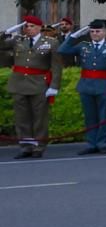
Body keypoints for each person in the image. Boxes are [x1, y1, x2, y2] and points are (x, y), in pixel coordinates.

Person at [58, 18, 106, 155]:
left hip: (105, 86)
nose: (95, 34)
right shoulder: (83, 46)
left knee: (103, 117)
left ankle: (102, 143)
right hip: (86, 85)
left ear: (105, 32)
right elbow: (62, 50)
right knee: (90, 117)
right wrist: (74, 36)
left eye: (98, 31)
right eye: (92, 31)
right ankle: (91, 143)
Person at [2, 15, 64, 158]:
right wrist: (7, 32)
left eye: (32, 26)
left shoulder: (51, 43)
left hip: (39, 84)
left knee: (39, 118)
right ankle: (26, 146)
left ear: (39, 28)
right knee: (21, 118)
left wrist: (54, 86)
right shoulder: (18, 40)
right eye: (26, 26)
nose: (28, 29)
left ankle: (39, 146)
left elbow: (56, 67)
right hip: (19, 84)